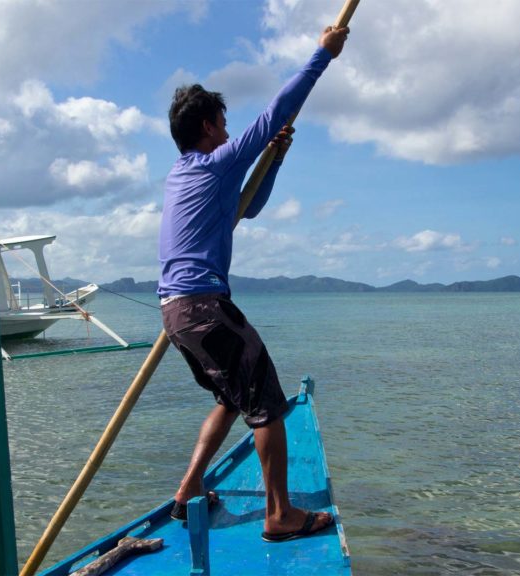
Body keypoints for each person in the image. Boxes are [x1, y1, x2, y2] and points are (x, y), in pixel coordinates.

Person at [158, 25, 349, 542]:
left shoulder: (185, 175)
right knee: (266, 400)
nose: (229, 131)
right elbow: (273, 114)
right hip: (203, 305)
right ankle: (280, 514)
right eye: (223, 123)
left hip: (175, 312)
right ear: (207, 126)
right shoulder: (212, 163)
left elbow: (251, 206)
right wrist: (322, 55)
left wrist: (277, 159)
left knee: (229, 399)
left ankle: (188, 491)